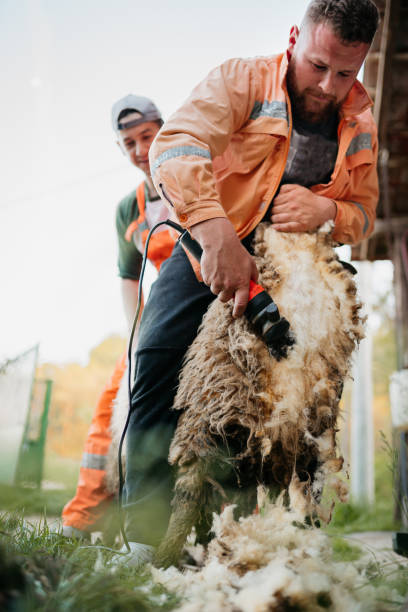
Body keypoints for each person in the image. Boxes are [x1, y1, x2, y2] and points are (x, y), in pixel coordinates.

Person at [123, 0, 380, 561]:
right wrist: (216, 235)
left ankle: (278, 533)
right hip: (213, 246)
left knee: (298, 401)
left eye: (346, 72)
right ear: (294, 37)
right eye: (318, 65)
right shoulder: (241, 80)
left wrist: (326, 212)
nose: (330, 84)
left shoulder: (360, 123)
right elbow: (178, 142)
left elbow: (364, 212)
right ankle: (144, 536)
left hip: (301, 270)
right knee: (157, 358)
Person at [61, 95, 176, 539]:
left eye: (147, 136)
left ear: (164, 128)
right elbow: (129, 277)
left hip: (209, 295)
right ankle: (84, 518)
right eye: (128, 143)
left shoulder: (193, 174)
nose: (140, 150)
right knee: (114, 401)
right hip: (159, 309)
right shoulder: (129, 209)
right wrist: (135, 338)